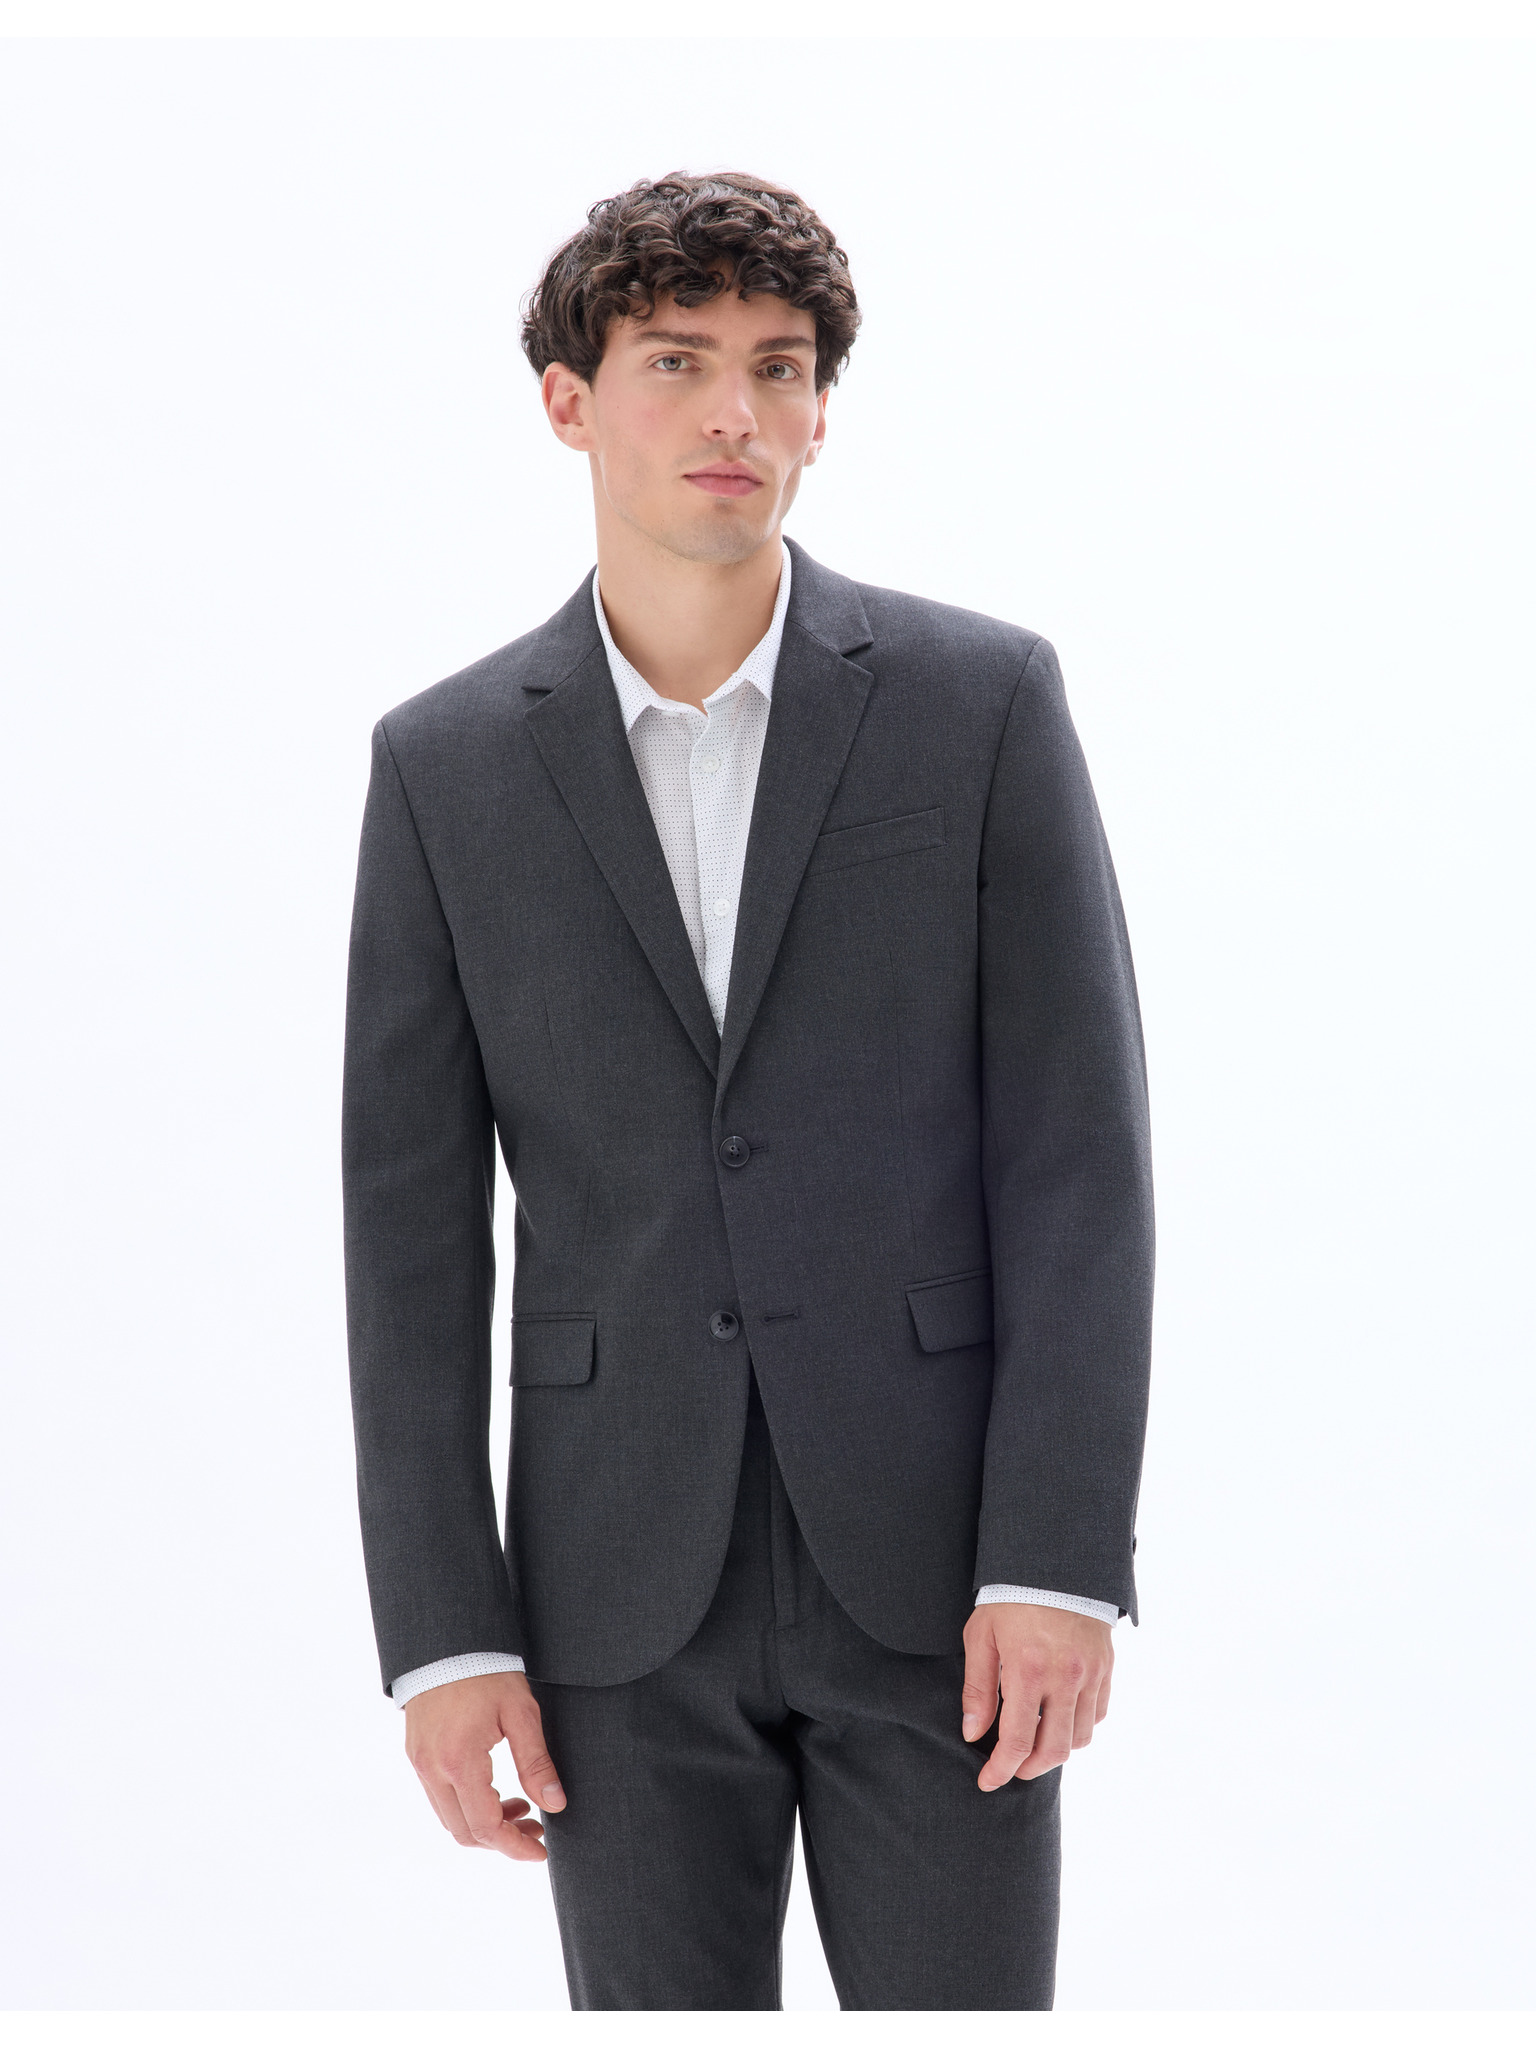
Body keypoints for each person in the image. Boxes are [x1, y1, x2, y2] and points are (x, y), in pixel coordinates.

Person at [342, 171, 1153, 2012]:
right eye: (678, 360)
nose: (736, 412)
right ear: (569, 399)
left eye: (779, 369)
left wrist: (1057, 1560)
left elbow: (1079, 1160)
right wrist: (445, 1636)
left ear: (820, 412)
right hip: (611, 1601)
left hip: (947, 1585)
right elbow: (408, 1240)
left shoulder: (978, 704)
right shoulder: (444, 768)